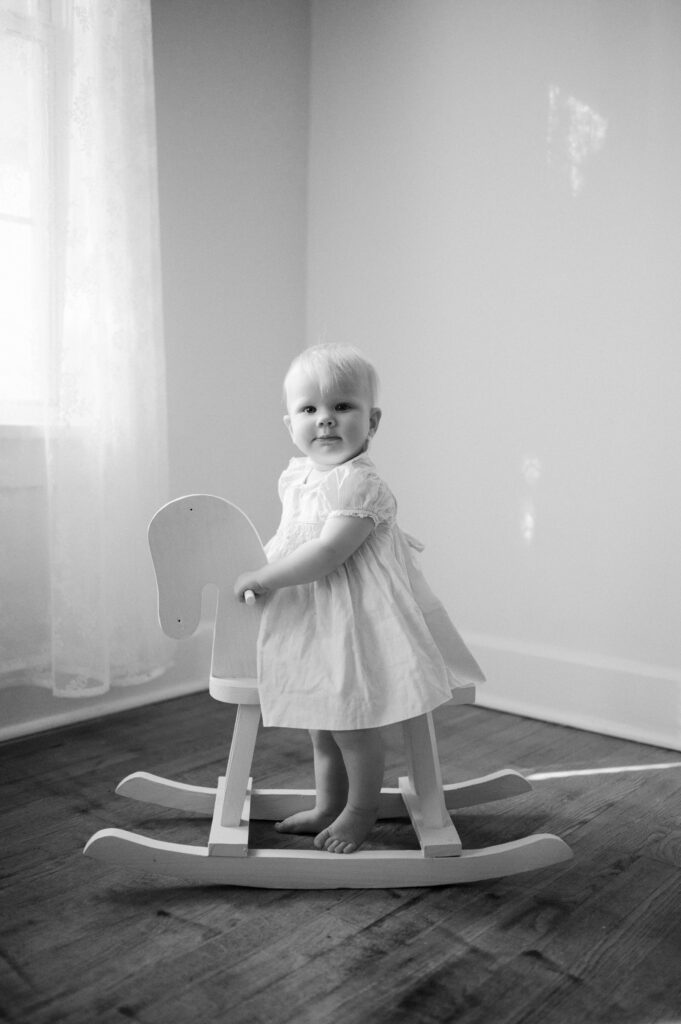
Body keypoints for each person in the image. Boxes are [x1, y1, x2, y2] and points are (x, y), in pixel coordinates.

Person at [234, 344, 484, 854]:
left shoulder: (360, 484)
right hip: (315, 622)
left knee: (352, 723)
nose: (325, 421)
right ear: (289, 423)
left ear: (372, 421)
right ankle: (329, 803)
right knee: (321, 726)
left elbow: (326, 554)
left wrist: (265, 576)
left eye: (342, 407)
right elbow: (292, 539)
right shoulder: (301, 478)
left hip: (356, 623)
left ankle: (360, 809)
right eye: (309, 410)